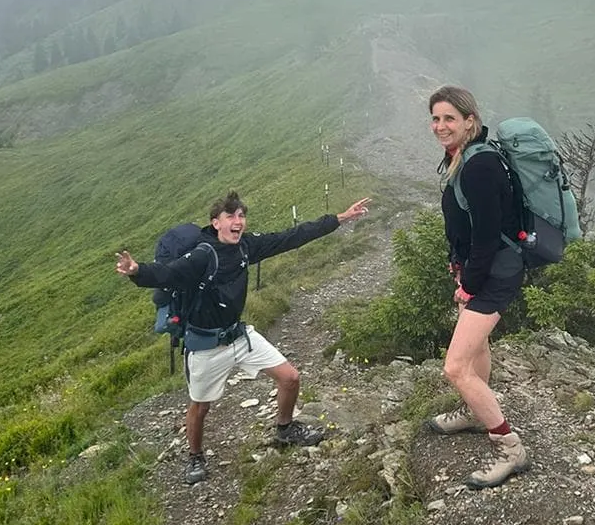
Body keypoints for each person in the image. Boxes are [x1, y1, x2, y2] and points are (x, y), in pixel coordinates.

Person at [116, 189, 370, 484]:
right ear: (216, 223)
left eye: (241, 215)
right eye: (230, 216)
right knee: (200, 407)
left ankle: (285, 430)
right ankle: (195, 457)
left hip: (238, 336)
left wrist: (340, 218)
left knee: (290, 378)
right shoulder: (202, 255)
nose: (238, 221)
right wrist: (137, 272)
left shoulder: (245, 247)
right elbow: (168, 273)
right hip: (205, 345)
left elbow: (292, 236)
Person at [427, 85, 530, 488]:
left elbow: (487, 235)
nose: (440, 126)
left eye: (449, 118)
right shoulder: (463, 157)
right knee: (477, 348)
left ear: (471, 120)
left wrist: (468, 285)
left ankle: (510, 448)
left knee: (454, 367)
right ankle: (473, 412)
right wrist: (462, 269)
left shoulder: (479, 165)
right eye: (435, 118)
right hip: (481, 269)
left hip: (494, 273)